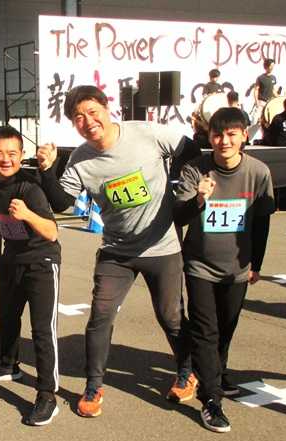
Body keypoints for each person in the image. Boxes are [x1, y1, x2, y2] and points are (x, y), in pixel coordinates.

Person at [36, 85, 201, 418]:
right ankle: (93, 385)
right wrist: (47, 170)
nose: (87, 121)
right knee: (100, 315)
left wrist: (181, 191)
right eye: (78, 117)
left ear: (106, 107)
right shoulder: (81, 159)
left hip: (162, 247)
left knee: (170, 316)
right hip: (117, 251)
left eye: (92, 112)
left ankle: (187, 371)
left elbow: (191, 149)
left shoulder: (146, 133)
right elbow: (61, 202)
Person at [173, 107, 275, 433]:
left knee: (226, 326)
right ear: (209, 136)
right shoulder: (195, 169)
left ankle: (218, 371)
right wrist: (199, 199)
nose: (224, 141)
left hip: (237, 268)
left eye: (232, 134)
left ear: (245, 135)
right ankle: (211, 398)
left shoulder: (258, 172)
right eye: (218, 135)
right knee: (206, 330)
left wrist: (257, 264)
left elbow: (262, 223)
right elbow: (179, 216)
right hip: (199, 265)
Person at [0, 125, 63, 426]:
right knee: (8, 316)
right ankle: (8, 365)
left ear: (22, 155)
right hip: (11, 258)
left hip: (41, 260)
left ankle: (47, 395)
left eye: (12, 153)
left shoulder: (30, 187)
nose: (6, 160)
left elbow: (52, 232)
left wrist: (27, 214)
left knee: (42, 329)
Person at [247, 59, 279, 142]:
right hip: (261, 102)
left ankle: (266, 138)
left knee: (268, 121)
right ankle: (248, 138)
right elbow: (256, 89)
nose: (272, 67)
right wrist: (256, 101)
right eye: (271, 66)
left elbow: (273, 90)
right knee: (255, 120)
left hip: (270, 103)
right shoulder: (260, 78)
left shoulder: (273, 77)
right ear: (266, 66)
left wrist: (278, 97)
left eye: (273, 66)